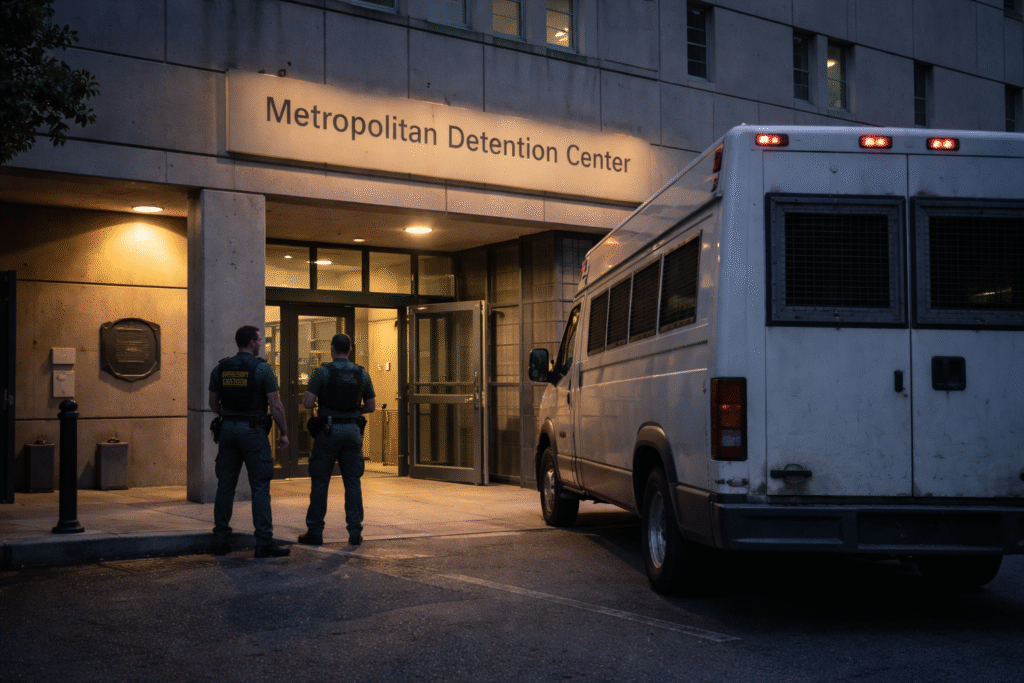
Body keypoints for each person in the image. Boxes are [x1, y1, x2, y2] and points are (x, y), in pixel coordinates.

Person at [208, 325, 291, 558]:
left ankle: (221, 541)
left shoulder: (220, 368)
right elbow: (275, 404)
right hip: (253, 431)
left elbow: (213, 404)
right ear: (252, 343)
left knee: (225, 486)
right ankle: (264, 542)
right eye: (259, 340)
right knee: (260, 486)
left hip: (227, 430)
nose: (261, 344)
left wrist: (230, 416)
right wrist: (284, 432)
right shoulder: (262, 369)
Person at [298, 333, 376, 547]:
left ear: (332, 349)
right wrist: (351, 411)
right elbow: (371, 406)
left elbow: (307, 402)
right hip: (352, 430)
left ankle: (315, 532)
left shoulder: (322, 372)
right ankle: (354, 532)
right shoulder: (362, 374)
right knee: (352, 482)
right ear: (350, 349)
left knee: (321, 481)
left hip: (328, 430)